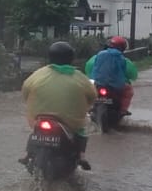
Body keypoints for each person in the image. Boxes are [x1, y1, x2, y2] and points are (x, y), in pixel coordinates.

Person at [20, 40, 97, 169]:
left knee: (35, 130)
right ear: (71, 58)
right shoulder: (79, 77)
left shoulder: (39, 74)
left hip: (40, 116)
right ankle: (81, 156)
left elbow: (26, 90)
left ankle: (28, 155)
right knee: (82, 130)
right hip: (68, 121)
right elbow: (92, 95)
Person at [84, 36, 138, 114]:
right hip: (115, 87)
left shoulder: (98, 55)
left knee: (87, 91)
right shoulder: (123, 59)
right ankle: (123, 110)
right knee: (128, 91)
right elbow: (133, 75)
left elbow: (88, 68)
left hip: (97, 84)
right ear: (123, 48)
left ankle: (89, 107)